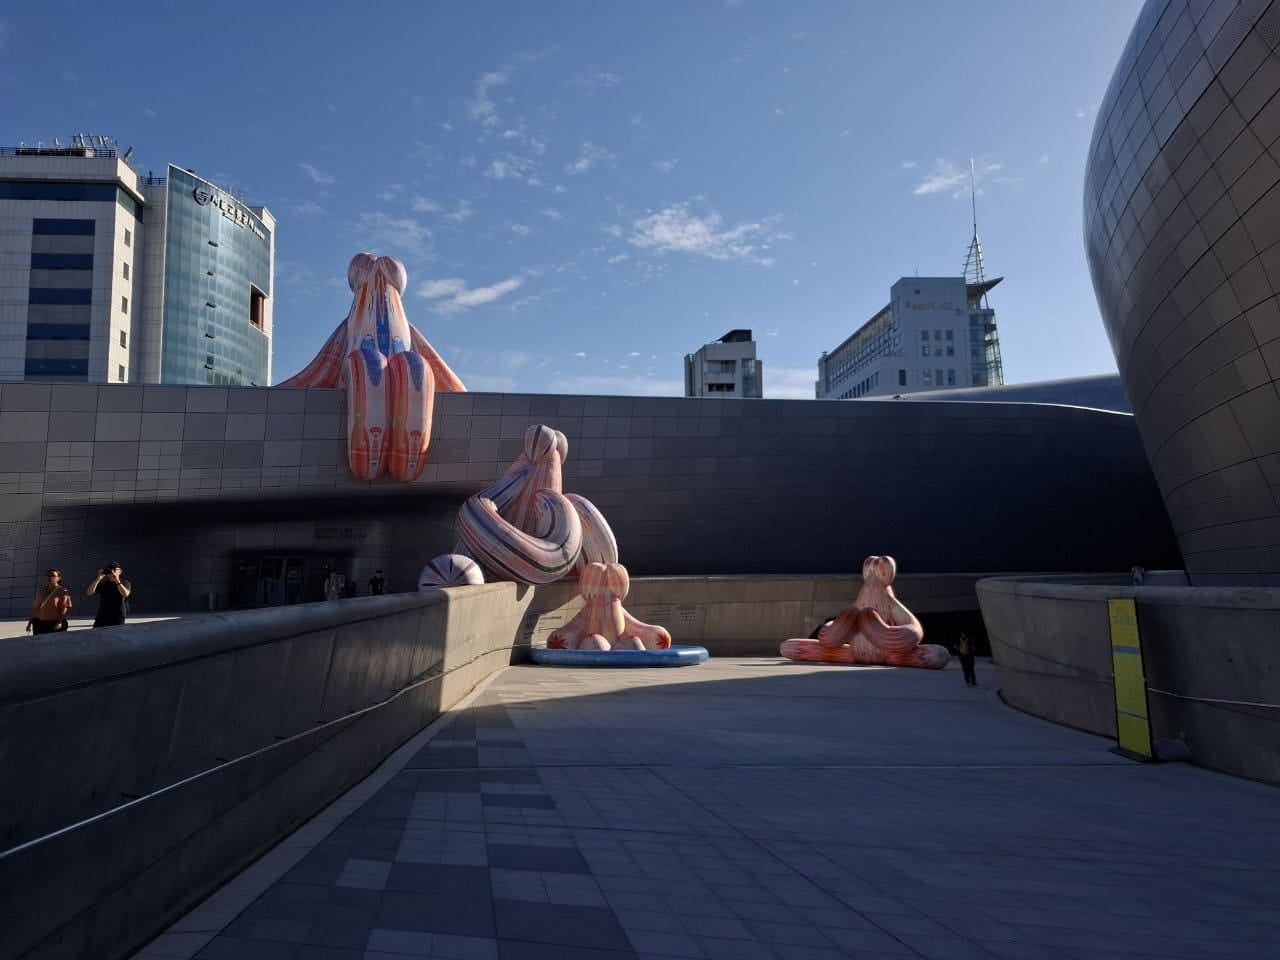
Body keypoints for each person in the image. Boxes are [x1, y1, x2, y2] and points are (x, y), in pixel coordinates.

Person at [87, 561, 131, 628]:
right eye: (110, 570)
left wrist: (117, 580)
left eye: (114, 569)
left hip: (117, 616)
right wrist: (98, 579)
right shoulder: (103, 584)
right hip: (102, 616)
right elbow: (89, 592)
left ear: (120, 571)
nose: (112, 572)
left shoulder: (125, 583)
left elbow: (125, 594)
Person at [28, 568, 72, 635]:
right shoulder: (41, 591)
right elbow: (36, 608)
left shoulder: (62, 591)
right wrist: (30, 623)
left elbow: (64, 608)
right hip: (39, 624)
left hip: (54, 623)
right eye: (48, 576)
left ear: (59, 578)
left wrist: (59, 622)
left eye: (53, 576)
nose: (50, 577)